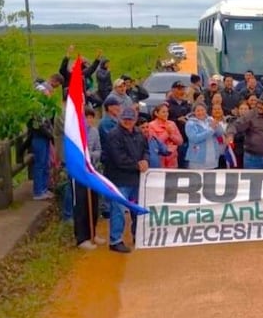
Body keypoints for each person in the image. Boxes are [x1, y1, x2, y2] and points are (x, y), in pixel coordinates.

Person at [104, 107, 148, 253]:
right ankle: (115, 240)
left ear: (135, 120)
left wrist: (145, 161)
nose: (128, 122)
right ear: (120, 119)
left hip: (135, 179)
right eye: (125, 119)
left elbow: (145, 150)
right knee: (119, 211)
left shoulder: (139, 134)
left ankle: (138, 235)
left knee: (136, 210)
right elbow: (118, 159)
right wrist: (137, 165)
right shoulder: (113, 135)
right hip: (119, 179)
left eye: (131, 119)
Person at [73, 107, 106, 250]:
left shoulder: (94, 131)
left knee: (93, 202)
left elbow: (98, 149)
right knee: (81, 204)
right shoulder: (74, 134)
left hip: (93, 171)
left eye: (92, 117)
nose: (90, 120)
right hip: (79, 174)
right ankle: (82, 238)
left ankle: (93, 233)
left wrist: (92, 156)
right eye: (87, 117)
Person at [185, 103, 226, 170]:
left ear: (206, 111)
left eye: (202, 110)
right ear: (194, 112)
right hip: (197, 159)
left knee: (211, 179)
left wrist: (217, 125)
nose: (200, 112)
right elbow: (194, 138)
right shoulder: (190, 124)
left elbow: (220, 133)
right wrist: (211, 130)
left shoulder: (210, 120)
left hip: (212, 159)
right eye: (198, 111)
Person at [147, 103, 183, 168]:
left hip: (172, 159)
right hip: (159, 159)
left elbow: (180, 142)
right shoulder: (151, 125)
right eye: (163, 112)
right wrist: (167, 133)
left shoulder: (172, 124)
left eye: (167, 112)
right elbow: (154, 143)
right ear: (156, 113)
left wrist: (171, 135)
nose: (166, 114)